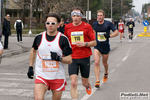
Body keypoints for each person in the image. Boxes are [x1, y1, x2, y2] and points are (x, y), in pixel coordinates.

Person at [27, 13, 72, 100]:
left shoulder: (63, 39)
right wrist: (30, 67)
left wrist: (59, 58)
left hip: (57, 76)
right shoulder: (39, 37)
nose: (50, 25)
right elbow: (33, 51)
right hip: (42, 75)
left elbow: (69, 60)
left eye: (53, 23)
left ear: (58, 25)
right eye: (48, 23)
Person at [64, 7, 96, 99]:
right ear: (71, 17)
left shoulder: (87, 27)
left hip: (84, 57)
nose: (76, 18)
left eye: (78, 16)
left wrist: (85, 43)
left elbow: (94, 42)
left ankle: (87, 85)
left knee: (84, 82)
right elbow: (64, 41)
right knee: (73, 83)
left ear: (81, 16)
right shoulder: (67, 27)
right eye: (74, 16)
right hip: (72, 58)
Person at [93, 9, 118, 88]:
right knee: (96, 62)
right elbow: (93, 33)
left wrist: (109, 36)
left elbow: (116, 33)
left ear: (103, 16)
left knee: (104, 63)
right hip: (97, 45)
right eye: (98, 16)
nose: (99, 17)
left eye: (101, 15)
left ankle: (106, 72)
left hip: (105, 45)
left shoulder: (108, 23)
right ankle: (97, 81)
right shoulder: (94, 24)